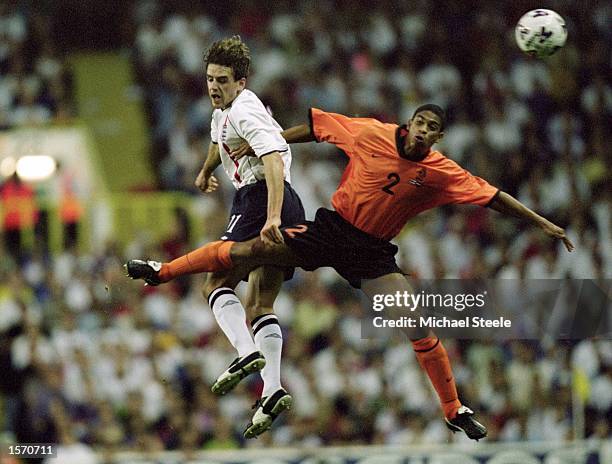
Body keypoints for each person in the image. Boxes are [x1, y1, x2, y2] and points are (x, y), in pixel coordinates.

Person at [127, 104, 574, 441]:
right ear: (410, 122)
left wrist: (545, 224)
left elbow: (493, 197)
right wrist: (272, 143)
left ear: (437, 138)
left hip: (373, 254)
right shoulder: (371, 132)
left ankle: (454, 409)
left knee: (414, 323)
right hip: (333, 229)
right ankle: (163, 272)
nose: (423, 131)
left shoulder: (440, 172)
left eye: (432, 128)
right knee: (250, 250)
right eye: (420, 121)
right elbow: (318, 127)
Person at [153, 36, 305, 438]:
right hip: (288, 204)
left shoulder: (245, 109)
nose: (213, 86)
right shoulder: (225, 112)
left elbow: (272, 157)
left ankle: (245, 352)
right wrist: (206, 171)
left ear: (241, 82)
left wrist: (271, 215)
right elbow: (217, 139)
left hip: (262, 200)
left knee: (215, 282)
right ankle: (272, 389)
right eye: (209, 78)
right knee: (260, 302)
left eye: (222, 79)